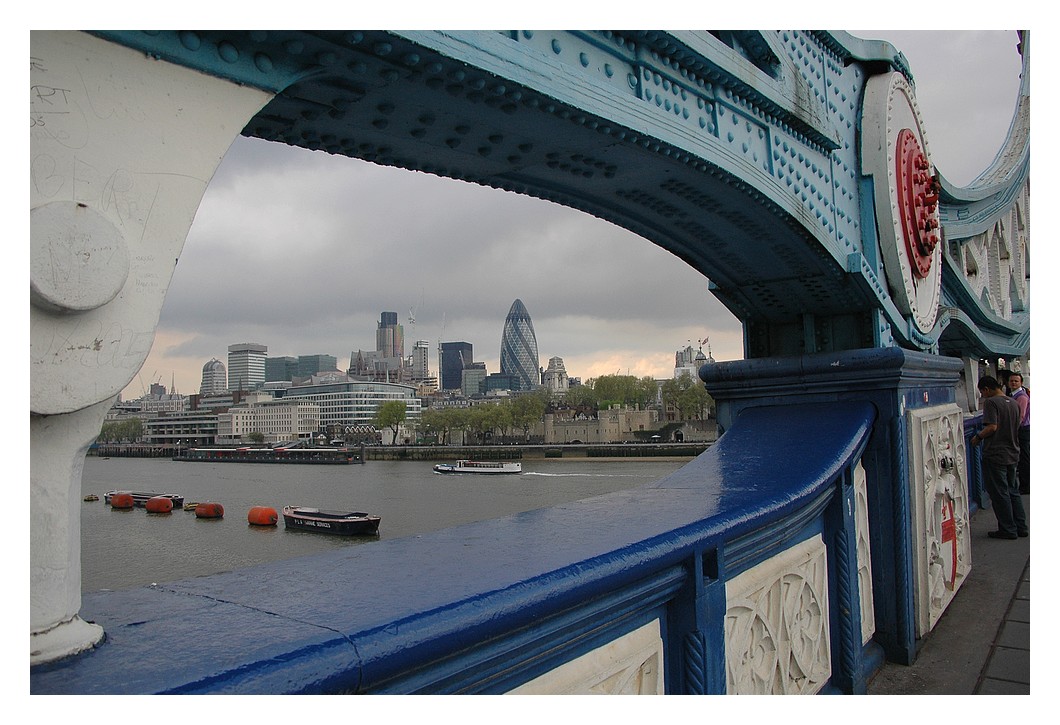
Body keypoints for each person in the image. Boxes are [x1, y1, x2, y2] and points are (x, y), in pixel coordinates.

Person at [971, 376, 1028, 539]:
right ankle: (1021, 526)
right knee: (1013, 491)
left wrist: (978, 437)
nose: (983, 396)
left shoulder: (991, 403)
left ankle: (1008, 529)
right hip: (1013, 451)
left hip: (996, 453)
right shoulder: (1014, 403)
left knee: (999, 493)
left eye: (982, 392)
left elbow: (992, 426)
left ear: (987, 389)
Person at [1006, 373, 1030, 494]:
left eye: (1016, 381)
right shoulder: (1014, 395)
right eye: (1012, 381)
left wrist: (1012, 429)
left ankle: (1025, 486)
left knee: (1024, 458)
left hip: (1022, 430)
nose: (1013, 383)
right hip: (1021, 429)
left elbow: (1020, 416)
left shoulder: (1021, 397)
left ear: (1021, 383)